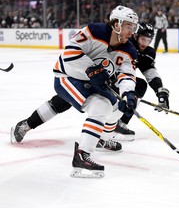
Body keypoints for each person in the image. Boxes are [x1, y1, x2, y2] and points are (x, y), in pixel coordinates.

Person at [13, 5, 140, 178]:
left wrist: (129, 94)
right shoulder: (95, 31)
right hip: (68, 75)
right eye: (128, 26)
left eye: (133, 27)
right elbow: (69, 54)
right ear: (116, 24)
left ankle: (101, 139)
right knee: (100, 107)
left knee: (117, 107)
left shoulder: (129, 50)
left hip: (93, 82)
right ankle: (82, 155)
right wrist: (91, 70)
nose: (131, 31)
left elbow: (126, 76)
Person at [11, 23, 169, 143]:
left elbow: (149, 71)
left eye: (148, 40)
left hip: (109, 80)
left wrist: (160, 90)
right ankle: (27, 124)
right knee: (63, 101)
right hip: (90, 74)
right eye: (142, 39)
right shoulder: (123, 42)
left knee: (136, 87)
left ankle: (117, 124)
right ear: (135, 35)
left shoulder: (147, 52)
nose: (144, 43)